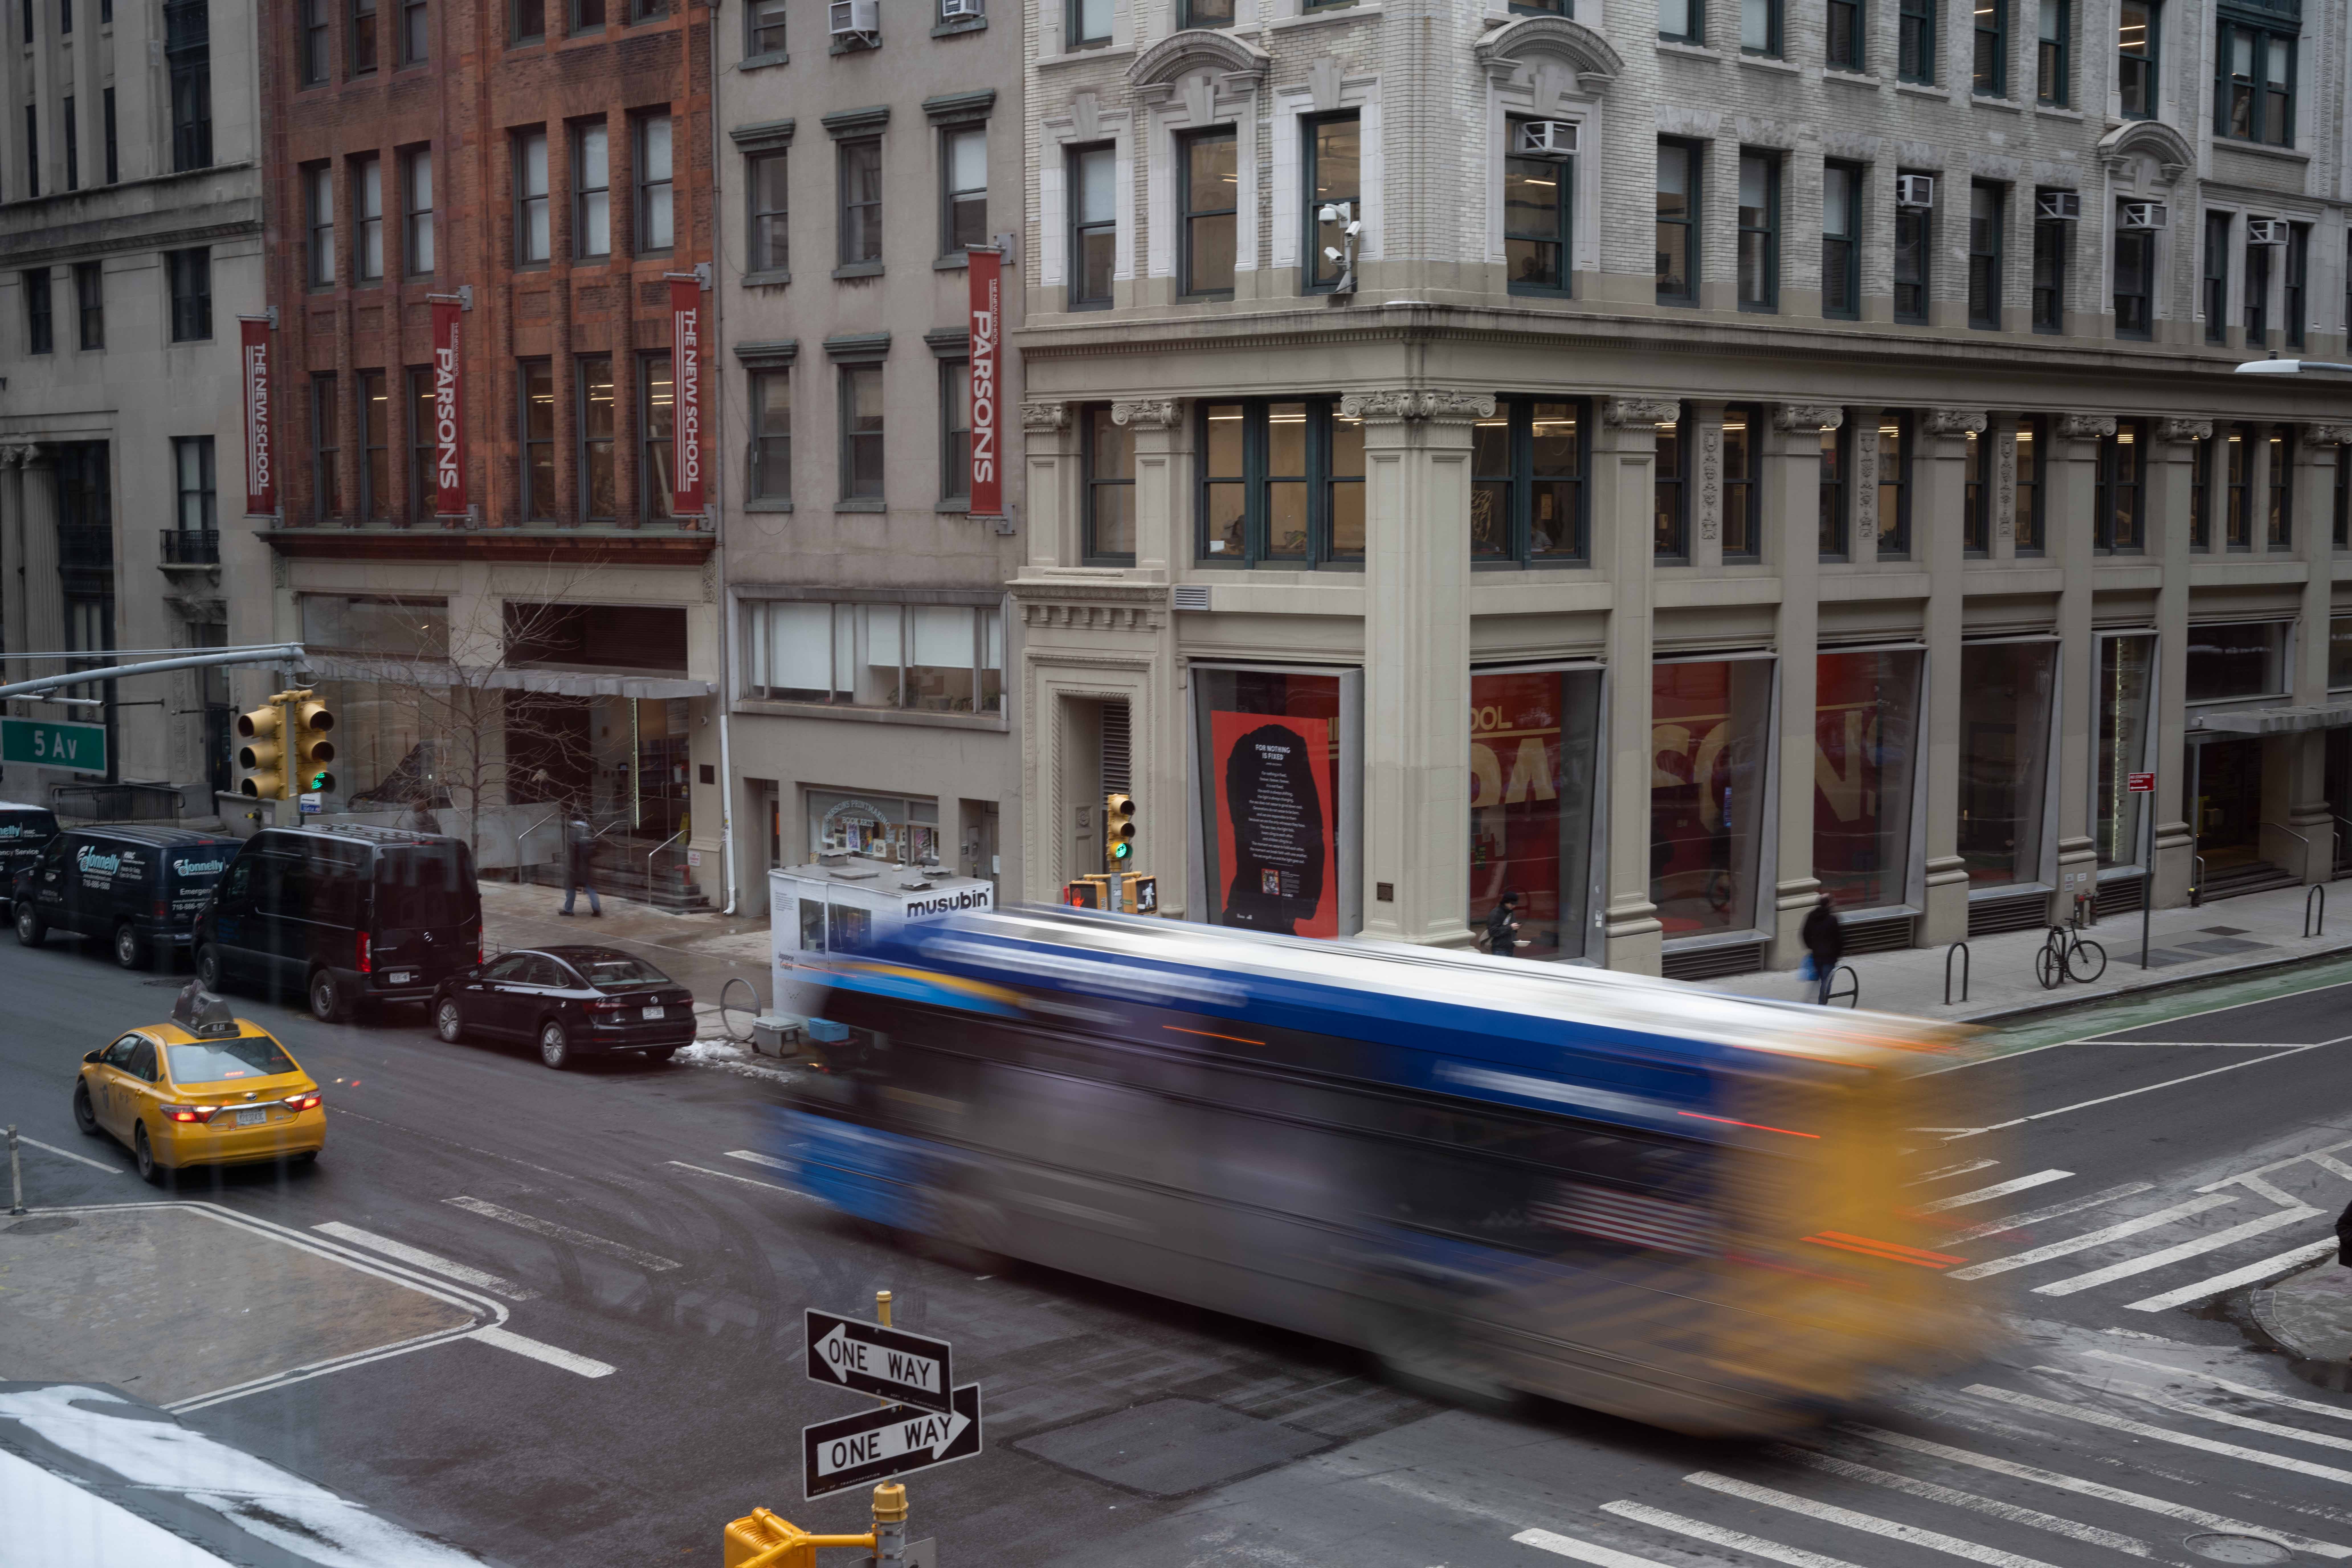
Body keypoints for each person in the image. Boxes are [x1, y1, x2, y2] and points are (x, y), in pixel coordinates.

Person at [1800, 894, 1844, 1004]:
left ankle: (1810, 1002)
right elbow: (1839, 939)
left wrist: (1811, 947)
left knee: (1816, 980)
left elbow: (1805, 934)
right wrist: (1838, 953)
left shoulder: (1811, 916)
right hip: (1830, 957)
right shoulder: (1833, 919)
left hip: (1816, 955)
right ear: (1829, 904)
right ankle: (1822, 1004)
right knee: (1827, 981)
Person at [560, 817, 601, 918]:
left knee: (570, 889)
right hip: (586, 867)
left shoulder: (573, 832)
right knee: (590, 889)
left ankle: (568, 910)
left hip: (574, 868)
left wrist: (571, 868)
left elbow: (572, 854)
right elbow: (594, 851)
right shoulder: (587, 833)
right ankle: (597, 909)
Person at [1485, 891, 1523, 959]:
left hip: (1510, 949)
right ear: (1506, 902)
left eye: (1515, 904)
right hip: (1499, 950)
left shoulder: (1511, 913)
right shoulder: (1496, 913)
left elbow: (1510, 931)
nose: (1514, 906)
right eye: (1512, 904)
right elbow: (1493, 932)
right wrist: (1510, 927)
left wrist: (1516, 940)